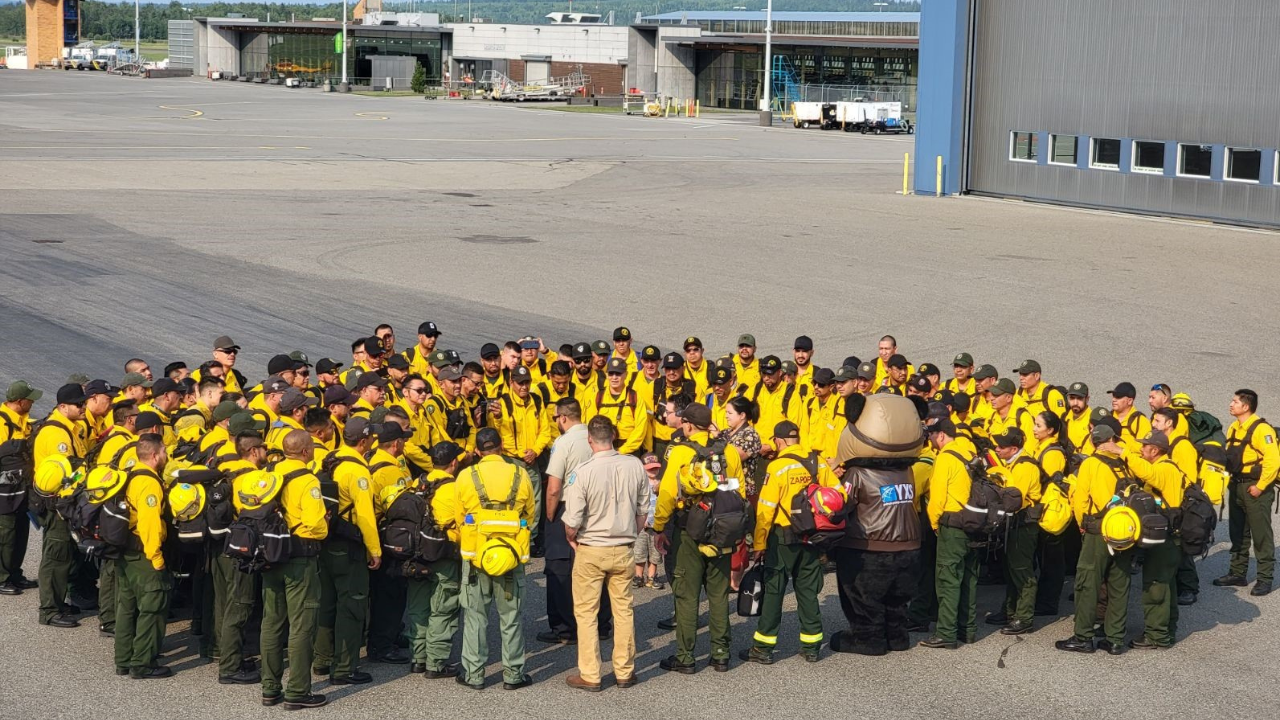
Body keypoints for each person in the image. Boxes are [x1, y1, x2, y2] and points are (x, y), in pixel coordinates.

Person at [653, 403, 745, 674]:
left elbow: (668, 493)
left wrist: (659, 527)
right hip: (723, 530)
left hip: (689, 531)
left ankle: (686, 656)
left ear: (689, 425)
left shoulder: (681, 451)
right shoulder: (728, 450)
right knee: (718, 594)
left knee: (687, 595)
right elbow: (738, 490)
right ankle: (720, 654)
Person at [561, 417, 650, 692]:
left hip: (591, 548)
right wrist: (630, 535)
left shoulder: (583, 471)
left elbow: (572, 519)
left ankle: (591, 673)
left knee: (587, 612)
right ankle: (624, 670)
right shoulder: (634, 464)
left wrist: (571, 538)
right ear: (613, 435)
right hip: (623, 547)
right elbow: (643, 509)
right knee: (623, 610)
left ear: (590, 440)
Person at [742, 421, 840, 664]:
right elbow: (840, 494)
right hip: (813, 536)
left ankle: (763, 648)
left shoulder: (777, 468)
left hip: (782, 537)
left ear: (780, 441)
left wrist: (759, 544)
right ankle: (812, 646)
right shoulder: (817, 462)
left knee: (774, 590)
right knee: (807, 591)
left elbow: (765, 510)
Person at [455, 428, 535, 691]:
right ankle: (513, 674)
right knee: (510, 616)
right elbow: (530, 515)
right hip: (511, 557)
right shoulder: (520, 473)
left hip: (477, 556)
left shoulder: (467, 476)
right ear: (501, 447)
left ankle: (474, 674)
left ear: (477, 451)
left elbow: (459, 517)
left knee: (476, 617)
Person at [253, 430, 328, 709]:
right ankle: (298, 691)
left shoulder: (268, 474)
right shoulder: (307, 480)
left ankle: (270, 688)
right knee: (301, 625)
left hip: (269, 555)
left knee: (271, 622)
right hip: (299, 559)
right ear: (306, 451)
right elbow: (317, 527)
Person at [1056, 424, 1134, 655]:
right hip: (1125, 531)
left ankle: (1083, 636)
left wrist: (1082, 525)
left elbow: (1080, 499)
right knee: (1118, 584)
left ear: (1093, 443)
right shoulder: (1125, 463)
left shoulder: (1090, 463)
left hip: (1099, 531)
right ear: (1113, 440)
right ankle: (1115, 638)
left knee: (1087, 583)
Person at [313, 417, 380, 685]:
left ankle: (321, 659)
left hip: (325, 540)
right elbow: (365, 515)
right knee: (351, 605)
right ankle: (343, 669)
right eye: (371, 438)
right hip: (349, 545)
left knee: (326, 602)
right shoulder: (358, 472)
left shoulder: (331, 458)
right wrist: (374, 549)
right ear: (363, 441)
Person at [540, 398, 612, 644]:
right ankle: (601, 624)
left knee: (560, 568)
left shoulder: (564, 442)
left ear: (561, 417)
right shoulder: (594, 437)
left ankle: (565, 628)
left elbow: (553, 487)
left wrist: (550, 516)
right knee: (596, 567)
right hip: (596, 509)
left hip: (566, 507)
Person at [1109, 430, 1185, 649]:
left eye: (1145, 447)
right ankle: (1167, 630)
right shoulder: (1163, 466)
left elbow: (1149, 474)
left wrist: (1122, 452)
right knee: (1166, 585)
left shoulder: (1165, 468)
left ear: (1155, 450)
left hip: (1166, 539)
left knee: (1156, 585)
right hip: (1169, 537)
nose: (1141, 449)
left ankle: (1157, 636)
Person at [114, 435, 172, 678]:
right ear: (156, 455)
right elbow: (149, 522)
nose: (167, 455)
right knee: (152, 607)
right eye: (165, 451)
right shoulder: (149, 483)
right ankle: (143, 663)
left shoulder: (130, 473)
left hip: (125, 551)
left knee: (126, 607)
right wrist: (156, 557)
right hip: (143, 553)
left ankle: (124, 659)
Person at [406, 442, 464, 679]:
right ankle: (436, 662)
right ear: (454, 463)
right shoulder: (454, 488)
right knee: (443, 607)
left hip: (415, 554)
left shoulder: (417, 483)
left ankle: (417, 658)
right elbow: (462, 523)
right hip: (442, 553)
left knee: (419, 607)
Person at [920, 418, 977, 650]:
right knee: (969, 578)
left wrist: (934, 524)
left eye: (932, 435)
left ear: (942, 435)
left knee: (948, 579)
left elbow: (938, 498)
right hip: (974, 523)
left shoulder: (945, 457)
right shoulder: (968, 452)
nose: (931, 439)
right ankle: (968, 629)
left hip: (952, 525)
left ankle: (946, 633)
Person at [1215, 389, 1279, 596]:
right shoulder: (1234, 426)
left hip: (1255, 488)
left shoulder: (1263, 430)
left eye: (1235, 402)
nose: (1231, 404)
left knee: (1261, 535)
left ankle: (1265, 578)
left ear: (1246, 406)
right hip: (1236, 485)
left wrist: (1260, 486)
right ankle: (1237, 572)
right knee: (1238, 531)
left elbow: (1273, 462)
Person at [34, 382, 88, 628]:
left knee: (65, 554)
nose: (83, 407)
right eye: (79, 404)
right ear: (63, 406)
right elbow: (70, 469)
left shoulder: (71, 427)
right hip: (58, 504)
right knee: (55, 556)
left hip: (66, 502)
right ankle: (49, 610)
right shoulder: (57, 433)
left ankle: (58, 602)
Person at [983, 428, 1040, 635]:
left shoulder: (1025, 467)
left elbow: (1014, 498)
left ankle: (1024, 618)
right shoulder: (1013, 463)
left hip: (1023, 525)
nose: (996, 449)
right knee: (1011, 569)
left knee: (1022, 571)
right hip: (1014, 524)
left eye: (1001, 446)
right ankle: (1009, 611)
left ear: (1014, 448)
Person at [0, 381, 41, 597]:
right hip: (5, 491)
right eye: (30, 399)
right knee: (6, 533)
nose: (33, 402)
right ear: (19, 401)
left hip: (22, 487)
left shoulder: (22, 420)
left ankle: (15, 573)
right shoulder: (2, 422)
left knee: (21, 531)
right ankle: (2, 577)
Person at [632, 454, 664, 589]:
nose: (653, 471)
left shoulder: (661, 484)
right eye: (650, 469)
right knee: (639, 552)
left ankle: (652, 576)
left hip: (656, 526)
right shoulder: (639, 485)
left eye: (656, 468)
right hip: (641, 525)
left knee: (655, 553)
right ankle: (638, 576)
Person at [1109, 382, 1152, 448]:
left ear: (1130, 401)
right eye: (1113, 396)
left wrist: (1119, 446)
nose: (1114, 400)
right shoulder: (1107, 417)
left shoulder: (1141, 422)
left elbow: (1143, 450)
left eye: (1118, 397)